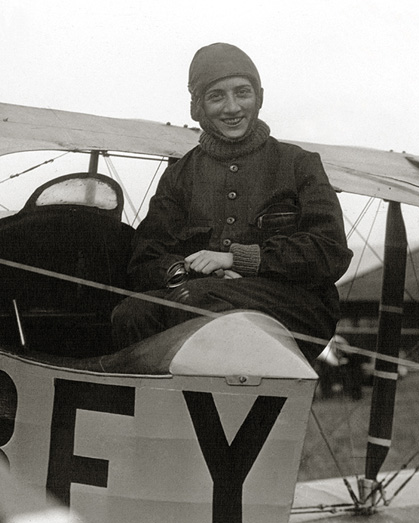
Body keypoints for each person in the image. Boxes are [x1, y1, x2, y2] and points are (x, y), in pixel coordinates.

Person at [112, 43, 352, 359]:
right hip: (197, 295)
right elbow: (146, 258)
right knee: (130, 314)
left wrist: (237, 259)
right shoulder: (180, 175)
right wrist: (185, 270)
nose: (232, 107)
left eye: (242, 92)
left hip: (295, 306)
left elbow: (330, 252)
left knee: (199, 302)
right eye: (216, 96)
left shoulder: (299, 163)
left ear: (259, 98)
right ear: (197, 107)